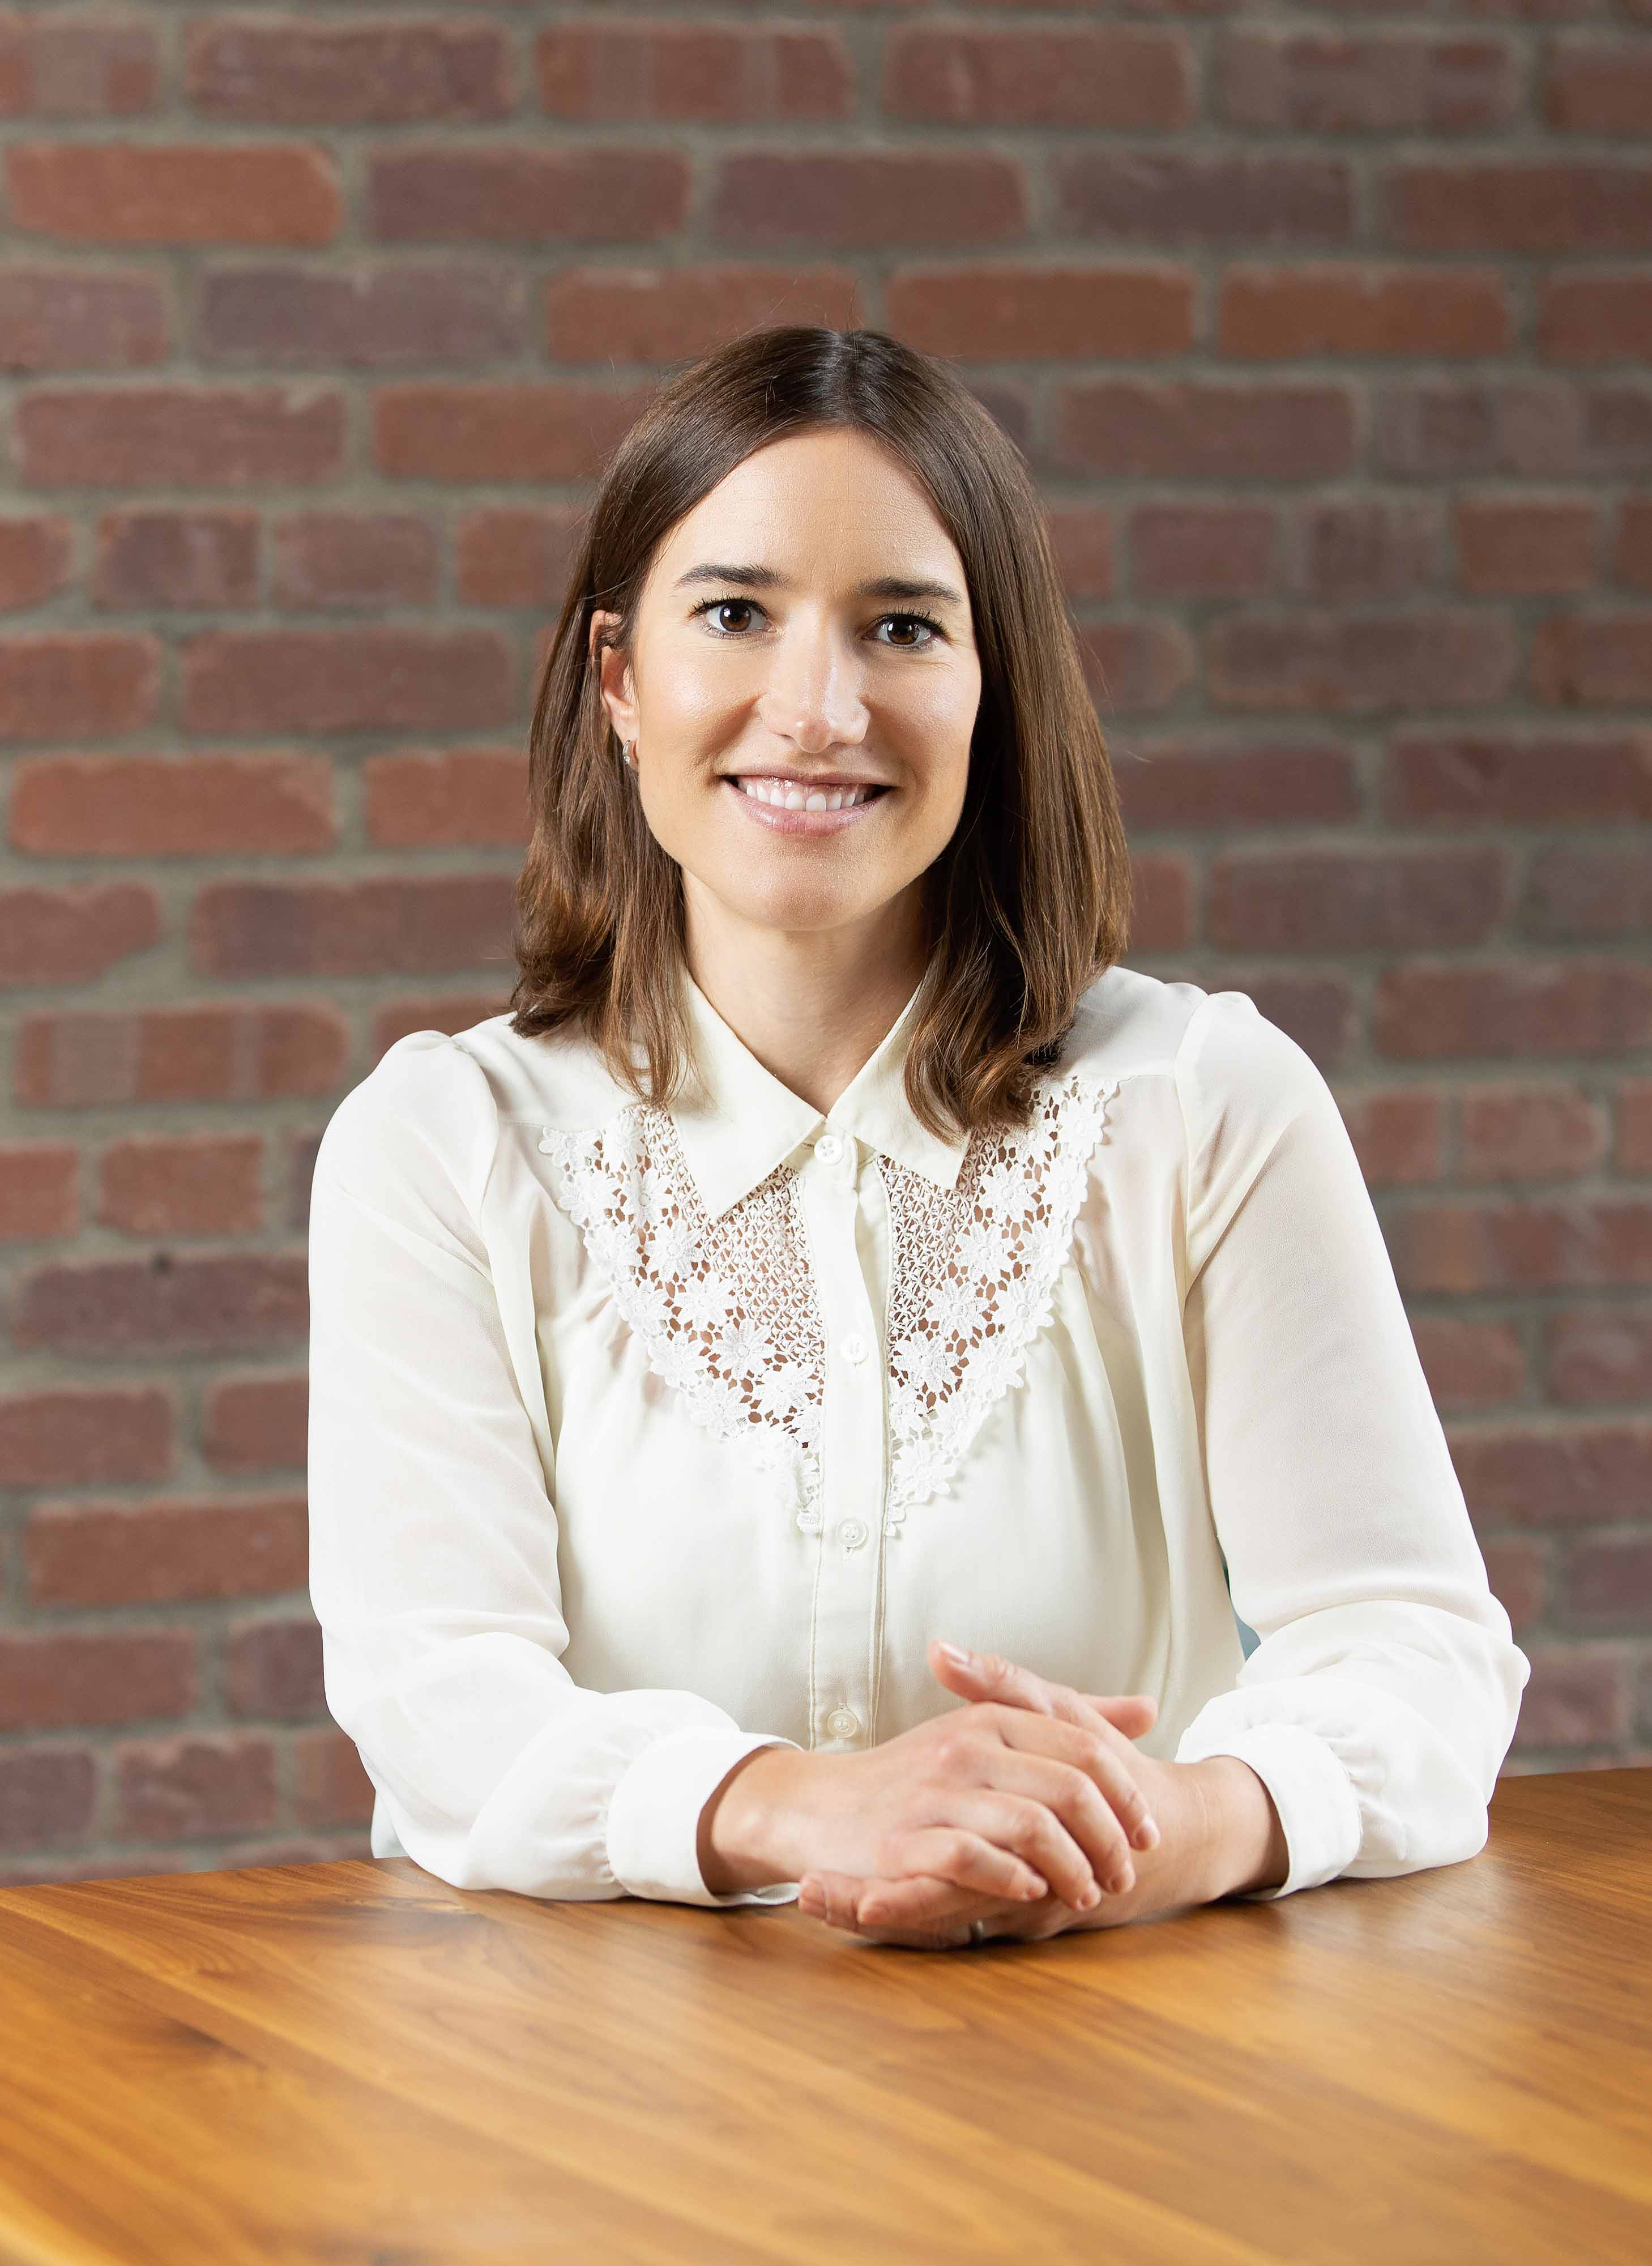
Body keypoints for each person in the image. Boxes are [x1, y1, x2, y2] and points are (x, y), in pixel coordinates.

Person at [306, 325, 1530, 1953]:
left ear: (988, 689)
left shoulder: (1204, 1105)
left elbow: (1411, 1645)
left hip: (1119, 2067)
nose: (815, 711)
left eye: (900, 626)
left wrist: (1186, 1825)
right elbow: (434, 1692)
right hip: (588, 2111)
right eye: (734, 614)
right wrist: (804, 1803)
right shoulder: (442, 1143)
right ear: (618, 678)